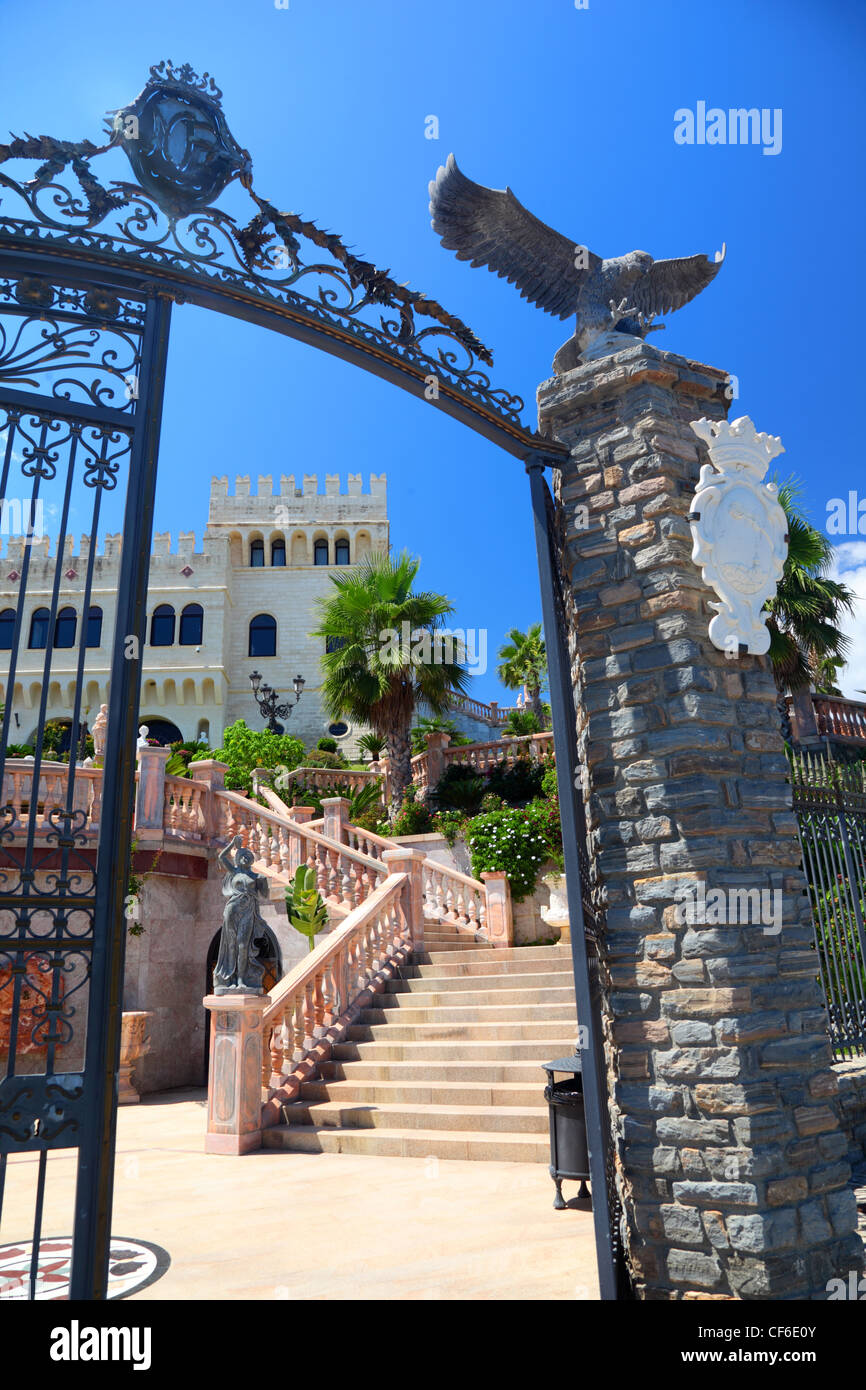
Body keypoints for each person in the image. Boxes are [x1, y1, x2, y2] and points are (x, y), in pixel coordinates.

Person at [213, 834, 269, 993]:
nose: (244, 858)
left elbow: (264, 894)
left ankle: (241, 980)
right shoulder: (234, 870)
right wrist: (232, 844)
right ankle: (229, 979)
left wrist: (263, 882)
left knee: (243, 945)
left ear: (251, 859)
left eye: (247, 856)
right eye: (241, 856)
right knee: (231, 945)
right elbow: (221, 856)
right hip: (233, 908)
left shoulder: (256, 876)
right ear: (238, 859)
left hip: (248, 910)